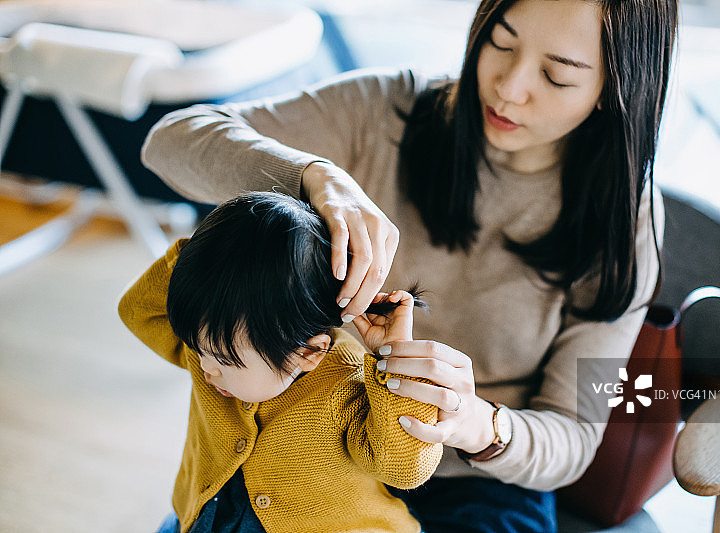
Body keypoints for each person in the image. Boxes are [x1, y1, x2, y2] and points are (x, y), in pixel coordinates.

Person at [141, 0, 678, 530]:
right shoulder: (384, 110)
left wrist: (474, 422)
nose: (509, 88)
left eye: (556, 76)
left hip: (476, 485)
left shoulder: (622, 219)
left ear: (615, 87)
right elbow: (168, 142)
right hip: (321, 445)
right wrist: (311, 176)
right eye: (501, 43)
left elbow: (573, 439)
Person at [118, 191, 442, 533]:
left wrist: (394, 360)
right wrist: (203, 259)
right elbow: (137, 311)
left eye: (224, 360)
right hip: (205, 518)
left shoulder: (347, 381)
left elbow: (406, 468)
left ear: (308, 354)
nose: (204, 368)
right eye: (198, 351)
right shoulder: (212, 341)